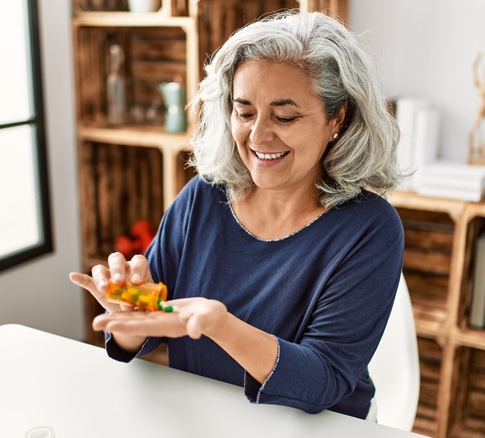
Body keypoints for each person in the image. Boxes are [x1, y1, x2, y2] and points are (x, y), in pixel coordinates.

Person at [69, 10, 405, 420]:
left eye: (285, 116)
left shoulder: (369, 228)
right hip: (205, 418)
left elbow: (327, 380)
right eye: (244, 112)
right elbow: (155, 319)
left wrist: (219, 325)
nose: (259, 135)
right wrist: (129, 318)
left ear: (339, 118)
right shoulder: (202, 198)